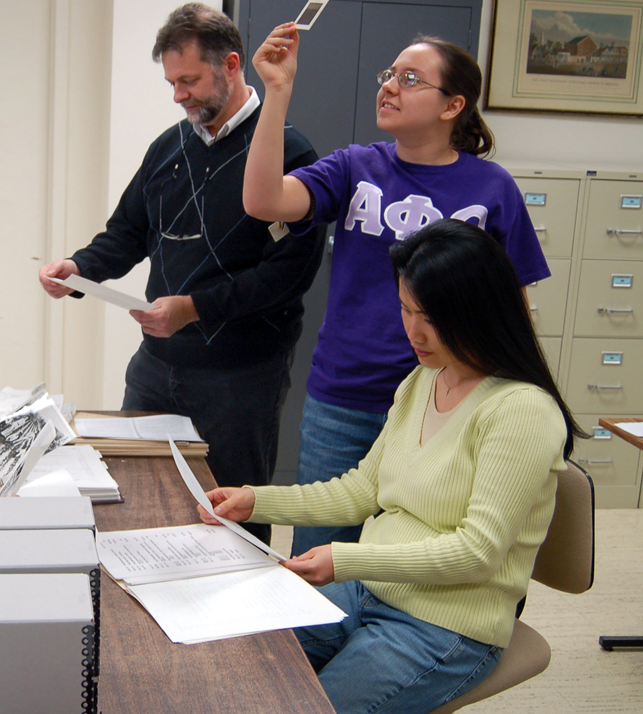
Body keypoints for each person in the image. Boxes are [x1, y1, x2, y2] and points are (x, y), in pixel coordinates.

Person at [199, 218, 583, 714]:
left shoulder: (521, 411)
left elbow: (478, 553)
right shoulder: (424, 381)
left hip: (445, 625)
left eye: (430, 316)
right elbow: (361, 489)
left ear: (479, 313)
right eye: (405, 309)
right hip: (367, 592)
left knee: (307, 705)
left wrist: (346, 560)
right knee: (243, 662)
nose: (413, 331)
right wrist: (256, 499)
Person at [241, 22, 550, 555]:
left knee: (418, 550)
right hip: (346, 398)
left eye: (410, 78)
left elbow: (513, 309)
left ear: (453, 106)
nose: (389, 86)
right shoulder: (356, 166)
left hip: (449, 401)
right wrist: (277, 93)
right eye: (390, 74)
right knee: (322, 555)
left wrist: (521, 402)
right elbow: (263, 201)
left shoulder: (492, 188)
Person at [39, 4, 324, 541]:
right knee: (135, 498)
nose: (178, 95)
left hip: (240, 377)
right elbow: (126, 233)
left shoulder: (289, 152)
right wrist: (78, 268)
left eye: (189, 80)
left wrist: (193, 308)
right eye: (172, 82)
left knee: (231, 516)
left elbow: (287, 276)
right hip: (156, 367)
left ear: (232, 65)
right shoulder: (169, 147)